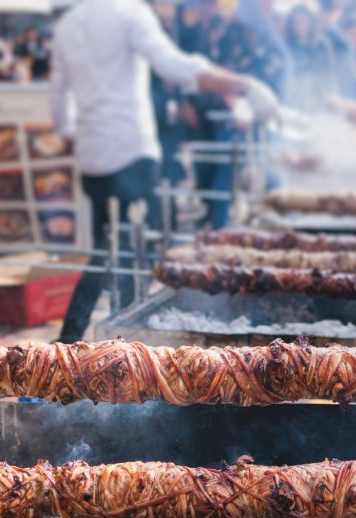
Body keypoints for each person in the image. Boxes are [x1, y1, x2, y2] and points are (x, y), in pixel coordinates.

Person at [51, 0, 280, 343]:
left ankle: (83, 340)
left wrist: (76, 134)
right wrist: (243, 85)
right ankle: (119, 347)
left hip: (93, 158)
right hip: (131, 151)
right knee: (131, 253)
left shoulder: (68, 23)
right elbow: (175, 66)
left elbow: (59, 103)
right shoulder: (128, 12)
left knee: (110, 248)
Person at [285, 5, 335, 110]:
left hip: (316, 98)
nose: (300, 26)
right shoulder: (289, 46)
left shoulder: (322, 46)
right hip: (293, 98)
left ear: (310, 23)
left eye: (303, 22)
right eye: (297, 23)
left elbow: (328, 75)